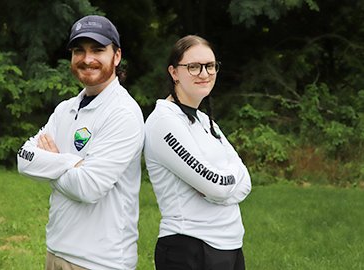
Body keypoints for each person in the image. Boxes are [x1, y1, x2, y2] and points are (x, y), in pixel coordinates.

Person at [17, 15, 144, 270]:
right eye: (79, 51)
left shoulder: (123, 112)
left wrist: (49, 163)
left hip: (101, 262)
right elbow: (24, 158)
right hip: (56, 252)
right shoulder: (66, 109)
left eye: (98, 50)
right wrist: (71, 162)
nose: (87, 59)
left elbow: (88, 187)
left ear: (116, 56)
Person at [144, 35, 252, 270]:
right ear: (174, 72)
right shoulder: (164, 122)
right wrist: (222, 188)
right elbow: (217, 185)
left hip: (230, 246)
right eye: (193, 67)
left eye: (210, 66)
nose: (204, 73)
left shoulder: (204, 120)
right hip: (190, 248)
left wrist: (222, 189)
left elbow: (245, 180)